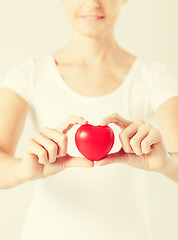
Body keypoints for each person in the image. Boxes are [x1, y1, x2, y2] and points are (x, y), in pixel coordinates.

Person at [0, 0, 178, 239]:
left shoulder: (153, 77)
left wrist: (167, 162)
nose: (92, 3)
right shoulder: (28, 75)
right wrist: (22, 169)